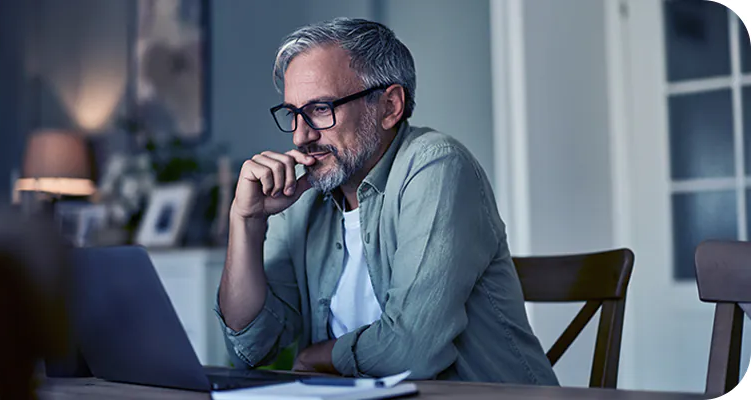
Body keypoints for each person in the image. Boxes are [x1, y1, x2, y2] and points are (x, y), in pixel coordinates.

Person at [216, 17, 558, 385]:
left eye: (319, 109)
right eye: (293, 114)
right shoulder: (303, 193)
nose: (300, 136)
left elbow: (412, 350)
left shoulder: (436, 165)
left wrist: (320, 356)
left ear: (390, 106)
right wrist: (246, 220)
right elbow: (250, 347)